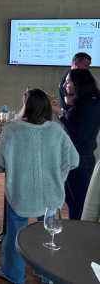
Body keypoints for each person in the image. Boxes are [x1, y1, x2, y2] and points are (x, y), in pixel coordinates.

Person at [0, 89, 78, 284]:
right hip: (51, 194)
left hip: (20, 192)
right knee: (47, 236)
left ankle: (14, 274)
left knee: (15, 234)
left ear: (26, 106)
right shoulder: (56, 131)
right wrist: (58, 174)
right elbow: (73, 160)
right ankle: (47, 276)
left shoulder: (12, 130)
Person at [61, 68, 100, 219]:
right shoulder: (89, 103)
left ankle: (77, 237)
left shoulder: (89, 106)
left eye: (68, 81)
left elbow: (77, 135)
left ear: (79, 83)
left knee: (79, 204)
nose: (65, 85)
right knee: (74, 201)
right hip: (80, 158)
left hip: (79, 160)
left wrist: (61, 114)